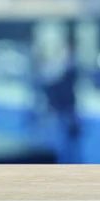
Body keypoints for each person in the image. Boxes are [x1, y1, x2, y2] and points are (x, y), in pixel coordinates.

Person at [43, 35, 82, 164]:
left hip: (66, 102)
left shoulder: (71, 63)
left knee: (68, 137)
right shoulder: (63, 63)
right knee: (60, 135)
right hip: (63, 102)